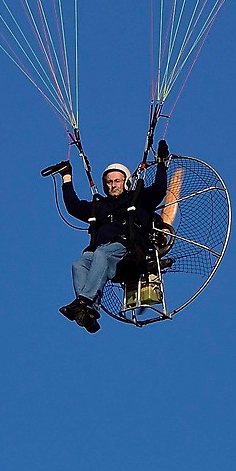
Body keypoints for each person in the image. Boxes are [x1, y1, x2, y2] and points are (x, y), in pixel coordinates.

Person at [53, 141, 170, 331]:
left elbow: (159, 189)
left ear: (126, 181)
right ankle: (88, 314)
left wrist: (161, 162)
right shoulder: (99, 207)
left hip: (128, 251)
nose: (112, 185)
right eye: (109, 182)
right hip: (103, 254)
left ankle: (83, 302)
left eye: (116, 181)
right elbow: (73, 206)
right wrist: (67, 177)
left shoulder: (138, 199)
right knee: (79, 264)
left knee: (101, 254)